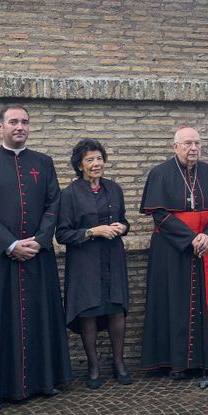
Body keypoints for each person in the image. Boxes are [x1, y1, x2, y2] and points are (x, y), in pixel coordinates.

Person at [0, 105, 72, 411]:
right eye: (13, 121)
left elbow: (54, 202)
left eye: (25, 122)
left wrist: (40, 241)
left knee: (40, 315)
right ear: (0, 126)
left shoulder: (44, 162)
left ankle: (44, 380)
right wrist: (10, 244)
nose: (20, 126)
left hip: (38, 257)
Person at [139, 126, 208, 379]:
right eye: (188, 143)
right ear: (175, 147)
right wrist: (190, 239)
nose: (193, 148)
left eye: (197, 143)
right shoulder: (160, 174)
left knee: (207, 304)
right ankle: (174, 363)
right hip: (172, 252)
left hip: (206, 249)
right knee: (173, 304)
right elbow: (159, 214)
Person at [56, 139, 131, 389]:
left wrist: (123, 227)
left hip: (113, 258)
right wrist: (92, 231)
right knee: (88, 311)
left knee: (115, 309)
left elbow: (123, 221)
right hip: (84, 262)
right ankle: (93, 366)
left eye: (99, 158)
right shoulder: (69, 194)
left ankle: (119, 363)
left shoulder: (114, 189)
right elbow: (62, 234)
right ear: (80, 165)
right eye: (90, 160)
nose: (96, 164)